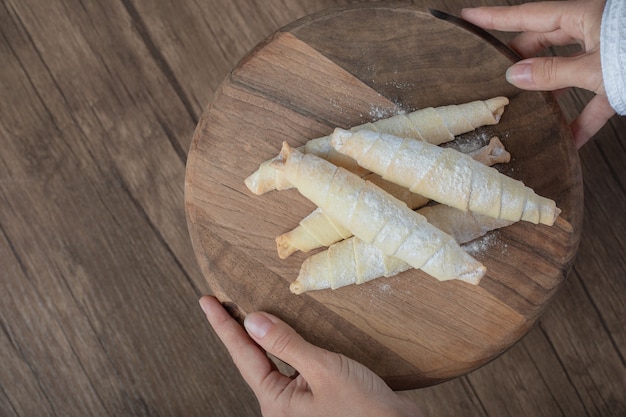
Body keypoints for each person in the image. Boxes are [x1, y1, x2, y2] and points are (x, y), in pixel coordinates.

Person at [199, 1, 625, 416]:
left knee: (398, 201)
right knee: (391, 197)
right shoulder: (336, 155)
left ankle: (500, 175)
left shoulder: (337, 154)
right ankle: (495, 171)